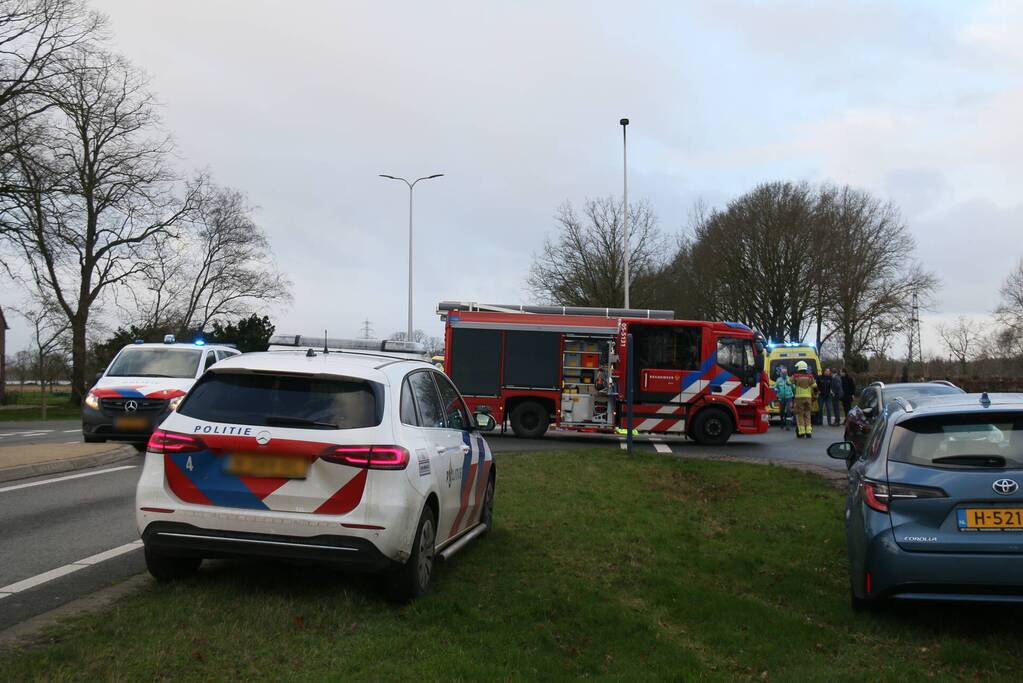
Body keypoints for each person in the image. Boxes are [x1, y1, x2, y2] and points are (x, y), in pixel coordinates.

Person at [791, 360, 818, 438]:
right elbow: (815, 386)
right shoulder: (810, 376)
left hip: (799, 398)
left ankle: (802, 432)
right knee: (807, 414)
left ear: (799, 367)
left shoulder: (796, 376)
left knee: (800, 414)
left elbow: (789, 383)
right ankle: (808, 431)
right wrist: (815, 395)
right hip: (808, 398)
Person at [772, 366, 794, 430]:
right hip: (781, 397)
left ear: (787, 373)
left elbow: (793, 387)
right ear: (781, 373)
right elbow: (775, 387)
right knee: (781, 411)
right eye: (783, 372)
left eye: (785, 372)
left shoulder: (789, 379)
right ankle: (782, 422)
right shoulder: (778, 380)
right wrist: (777, 390)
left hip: (789, 397)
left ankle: (788, 425)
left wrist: (794, 394)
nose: (784, 374)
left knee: (789, 410)